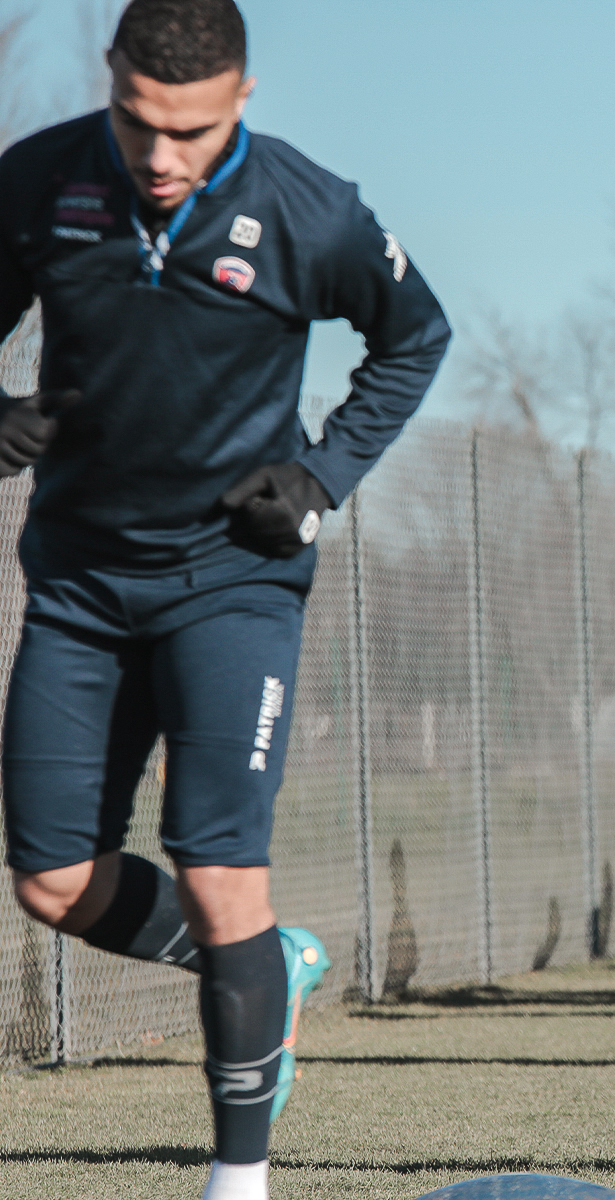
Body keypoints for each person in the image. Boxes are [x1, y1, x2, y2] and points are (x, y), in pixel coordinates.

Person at [0, 3, 451, 1198]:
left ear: (241, 99)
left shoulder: (314, 210)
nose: (160, 157)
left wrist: (320, 476)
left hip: (234, 584)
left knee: (217, 869)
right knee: (49, 880)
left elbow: (415, 337)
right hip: (80, 585)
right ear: (110, 80)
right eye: (140, 123)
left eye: (190, 132)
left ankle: (237, 1180)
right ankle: (267, 964)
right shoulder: (38, 181)